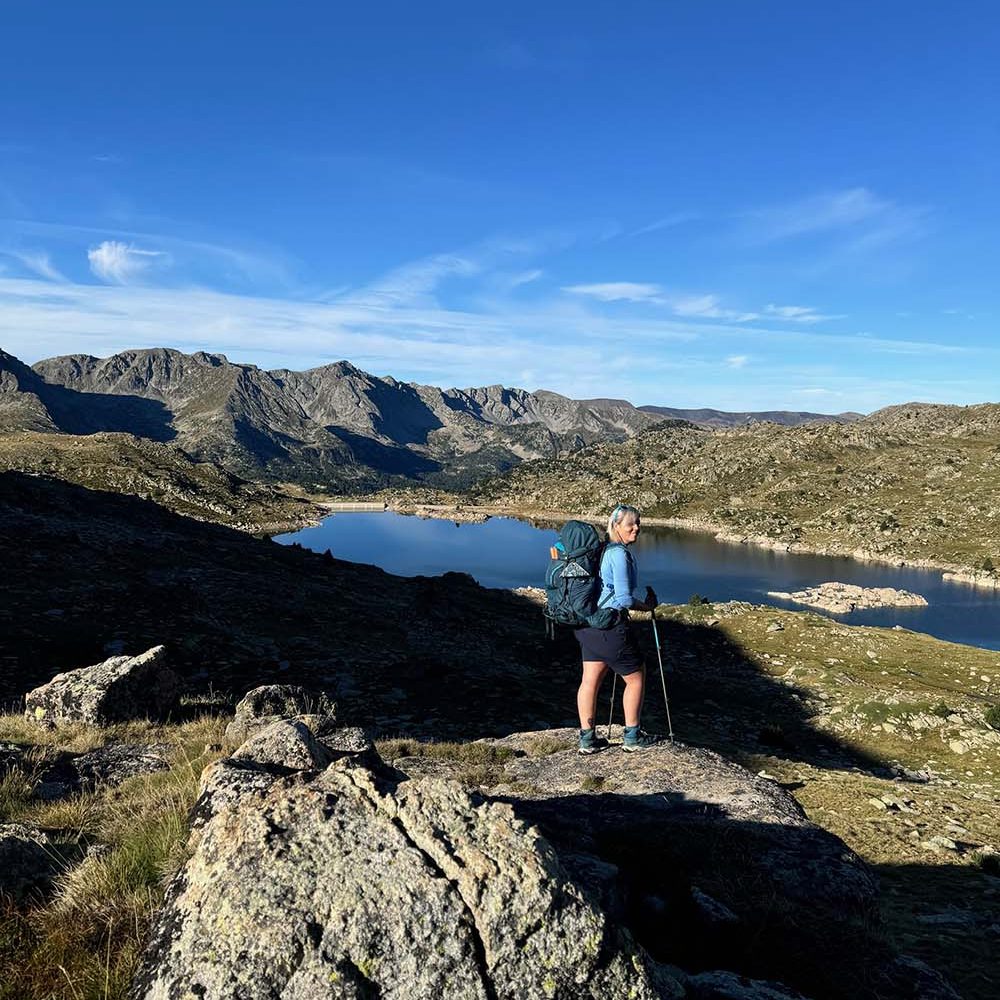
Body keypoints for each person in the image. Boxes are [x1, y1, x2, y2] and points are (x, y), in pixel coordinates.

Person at [575, 503, 660, 754]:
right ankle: (632, 736)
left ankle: (587, 740)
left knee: (589, 681)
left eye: (638, 524)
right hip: (610, 626)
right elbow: (623, 599)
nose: (636, 529)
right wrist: (646, 607)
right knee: (635, 677)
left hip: (588, 626)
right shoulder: (618, 554)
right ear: (615, 526)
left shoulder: (600, 551)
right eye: (630, 524)